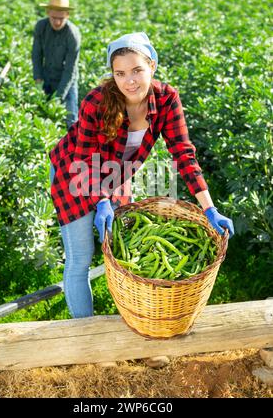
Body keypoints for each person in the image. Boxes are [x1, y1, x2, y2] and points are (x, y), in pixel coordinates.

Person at [49, 32, 234, 366]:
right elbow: (84, 156)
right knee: (81, 258)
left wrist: (209, 207)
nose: (129, 81)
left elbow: (183, 153)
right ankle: (88, 347)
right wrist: (100, 200)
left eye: (136, 70)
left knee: (123, 258)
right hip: (75, 174)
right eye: (120, 73)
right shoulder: (97, 101)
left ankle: (136, 338)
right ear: (112, 74)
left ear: (151, 65)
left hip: (116, 176)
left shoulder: (166, 99)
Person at [32, 0, 81, 129]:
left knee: (71, 119)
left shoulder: (73, 35)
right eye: (54, 18)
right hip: (47, 75)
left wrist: (59, 97)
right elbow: (36, 54)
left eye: (61, 18)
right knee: (42, 116)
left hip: (67, 79)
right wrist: (38, 77)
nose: (57, 22)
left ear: (67, 15)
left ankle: (74, 146)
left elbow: (70, 69)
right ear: (48, 13)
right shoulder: (41, 26)